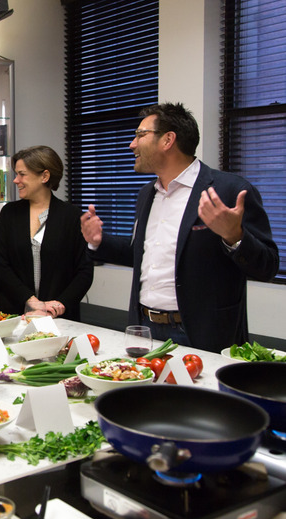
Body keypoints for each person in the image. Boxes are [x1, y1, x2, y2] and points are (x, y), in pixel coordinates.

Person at [80, 102, 279, 352]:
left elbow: (268, 267)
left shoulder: (230, 191)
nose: (132, 144)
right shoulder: (146, 195)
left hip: (202, 335)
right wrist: (99, 241)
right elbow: (144, 256)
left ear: (168, 140)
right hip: (144, 329)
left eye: (140, 135)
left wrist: (234, 236)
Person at [0, 146, 93, 320]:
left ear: (44, 176)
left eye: (22, 174)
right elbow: (0, 265)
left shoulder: (72, 216)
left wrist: (60, 304)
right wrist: (31, 300)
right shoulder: (9, 213)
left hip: (59, 317)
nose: (16, 180)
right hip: (12, 314)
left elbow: (84, 270)